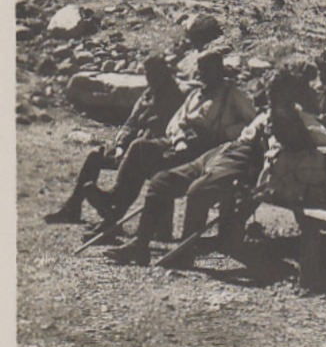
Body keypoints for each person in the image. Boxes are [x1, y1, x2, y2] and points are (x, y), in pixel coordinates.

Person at [105, 72, 326, 267]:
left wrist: (289, 135)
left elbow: (323, 138)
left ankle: (185, 252)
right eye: (271, 95)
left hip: (244, 160)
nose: (271, 100)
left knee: (198, 191)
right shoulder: (266, 114)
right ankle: (140, 245)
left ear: (289, 97)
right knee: (161, 181)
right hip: (222, 151)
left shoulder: (300, 119)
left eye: (276, 95)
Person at [83, 51, 255, 227]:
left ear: (219, 70)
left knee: (157, 168)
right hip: (183, 143)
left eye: (207, 69)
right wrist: (180, 139)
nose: (202, 74)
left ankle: (114, 217)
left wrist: (227, 133)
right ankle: (114, 196)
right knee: (139, 147)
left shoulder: (232, 95)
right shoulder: (195, 94)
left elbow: (252, 123)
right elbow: (175, 121)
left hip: (207, 150)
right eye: (201, 69)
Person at [44, 55, 184, 224]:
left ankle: (111, 216)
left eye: (154, 73)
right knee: (95, 156)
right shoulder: (148, 94)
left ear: (164, 73)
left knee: (135, 161)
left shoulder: (175, 97)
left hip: (154, 154)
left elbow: (163, 129)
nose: (150, 78)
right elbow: (130, 123)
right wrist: (120, 146)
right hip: (133, 148)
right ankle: (72, 208)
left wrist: (130, 147)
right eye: (147, 73)